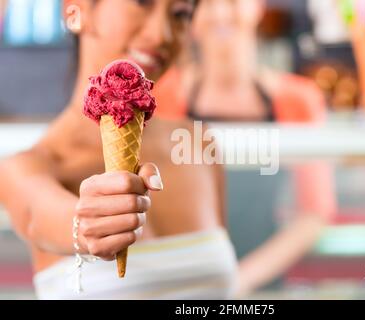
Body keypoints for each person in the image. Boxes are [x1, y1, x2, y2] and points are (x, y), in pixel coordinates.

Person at [0, 0, 237, 299]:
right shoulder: (26, 168)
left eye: (180, 14)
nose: (162, 34)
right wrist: (85, 227)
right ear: (76, 9)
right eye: (141, 4)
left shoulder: (198, 142)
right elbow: (37, 217)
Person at [153, 0, 337, 297]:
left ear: (258, 8)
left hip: (265, 286)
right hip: (186, 284)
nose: (222, 13)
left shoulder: (298, 99)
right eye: (208, 5)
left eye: (233, 2)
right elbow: (152, 208)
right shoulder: (163, 97)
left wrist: (241, 280)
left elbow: (314, 212)